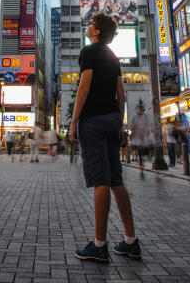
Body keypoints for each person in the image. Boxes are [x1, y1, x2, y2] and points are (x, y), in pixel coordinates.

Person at [69, 13, 140, 263]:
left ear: (97, 32)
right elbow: (120, 93)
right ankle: (130, 240)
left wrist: (74, 121)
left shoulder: (89, 52)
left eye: (90, 24)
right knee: (116, 180)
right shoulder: (113, 57)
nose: (87, 27)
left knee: (100, 180)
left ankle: (99, 245)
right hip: (111, 119)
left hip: (93, 121)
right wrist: (119, 122)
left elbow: (84, 87)